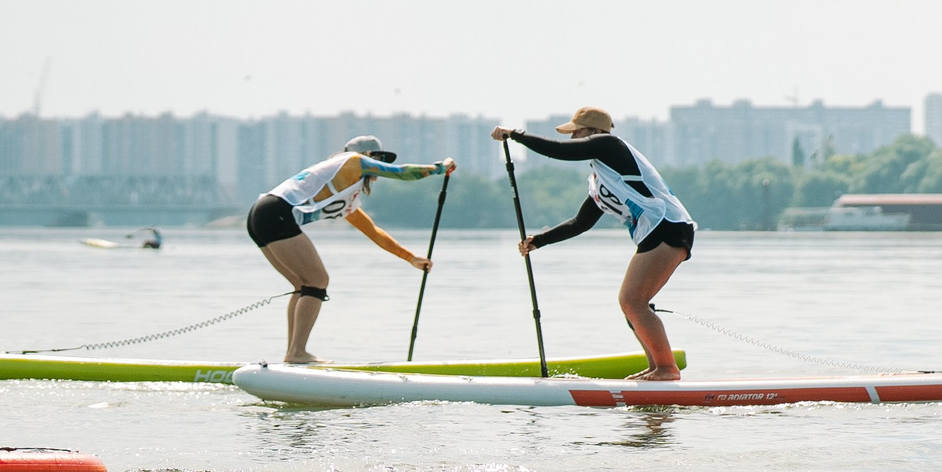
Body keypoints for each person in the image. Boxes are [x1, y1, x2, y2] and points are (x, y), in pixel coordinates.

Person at [491, 107, 692, 381]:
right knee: (633, 305)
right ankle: (657, 367)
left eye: (577, 132)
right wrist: (539, 241)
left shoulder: (610, 145)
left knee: (631, 301)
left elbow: (558, 151)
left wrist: (515, 135)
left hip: (668, 226)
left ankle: (667, 369)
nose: (573, 137)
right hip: (656, 232)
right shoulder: (601, 177)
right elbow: (580, 222)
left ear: (595, 131)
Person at [247, 137, 453, 364]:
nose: (381, 165)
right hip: (275, 213)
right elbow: (402, 173)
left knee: (303, 285)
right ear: (367, 155)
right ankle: (297, 353)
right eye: (379, 158)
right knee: (318, 280)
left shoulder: (344, 193)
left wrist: (410, 258)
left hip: (260, 215)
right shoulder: (354, 161)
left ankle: (292, 354)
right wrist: (439, 168)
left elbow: (374, 232)